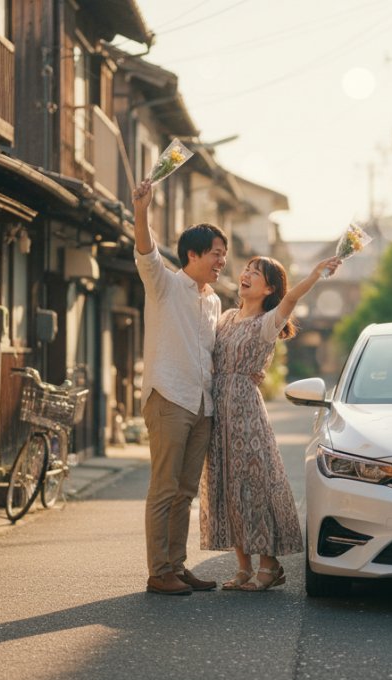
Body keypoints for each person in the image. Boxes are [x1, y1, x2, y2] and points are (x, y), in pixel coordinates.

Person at [199, 253, 342, 591]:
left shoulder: (267, 321)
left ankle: (269, 564)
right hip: (218, 408)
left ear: (268, 288)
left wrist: (316, 273)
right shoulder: (227, 316)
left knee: (254, 483)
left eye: (255, 272)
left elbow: (291, 299)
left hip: (246, 408)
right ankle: (243, 567)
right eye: (246, 269)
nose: (246, 274)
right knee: (226, 484)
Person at [133, 179, 227, 596]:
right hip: (169, 397)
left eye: (224, 254)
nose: (222, 261)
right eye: (217, 254)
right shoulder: (165, 284)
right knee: (165, 489)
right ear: (193, 254)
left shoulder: (214, 301)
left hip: (202, 403)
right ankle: (159, 572)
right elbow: (146, 252)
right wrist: (141, 210)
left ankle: (176, 564)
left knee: (186, 492)